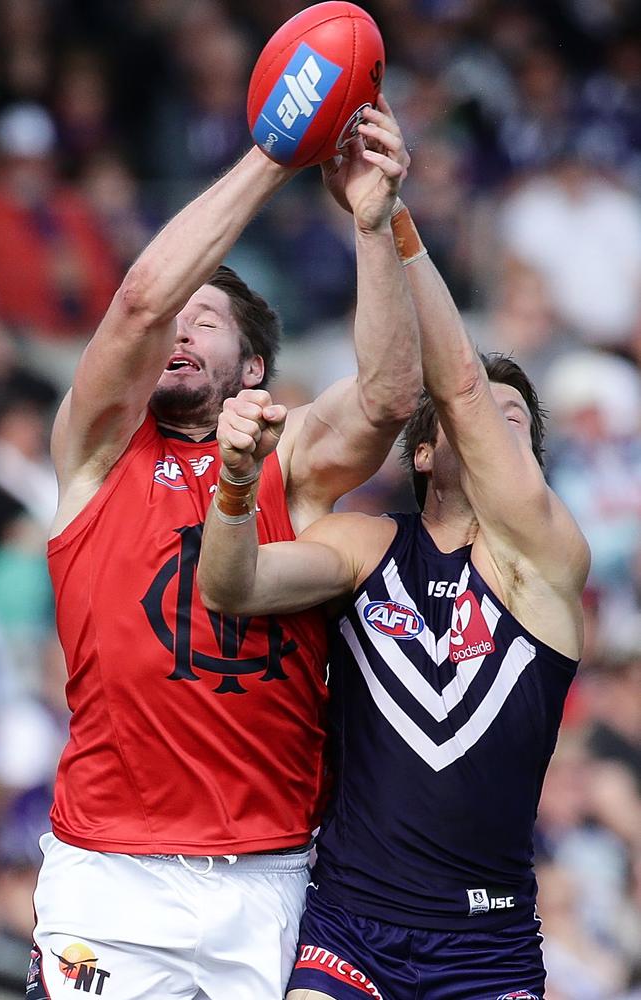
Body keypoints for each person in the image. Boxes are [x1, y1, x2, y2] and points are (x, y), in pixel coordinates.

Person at [30, 99, 423, 1000]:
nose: (178, 329)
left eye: (204, 321)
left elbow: (391, 397)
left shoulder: (287, 459)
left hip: (274, 874)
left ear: (253, 367)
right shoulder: (94, 451)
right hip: (111, 874)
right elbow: (137, 302)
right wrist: (275, 154)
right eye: (179, 316)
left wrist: (375, 221)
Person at [199, 245, 591, 997]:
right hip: (350, 921)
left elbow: (465, 386)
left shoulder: (546, 564)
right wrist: (238, 484)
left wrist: (396, 227)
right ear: (420, 453)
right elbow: (233, 584)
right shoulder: (365, 542)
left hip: (489, 942)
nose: (491, 429)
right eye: (470, 422)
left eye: (516, 423)